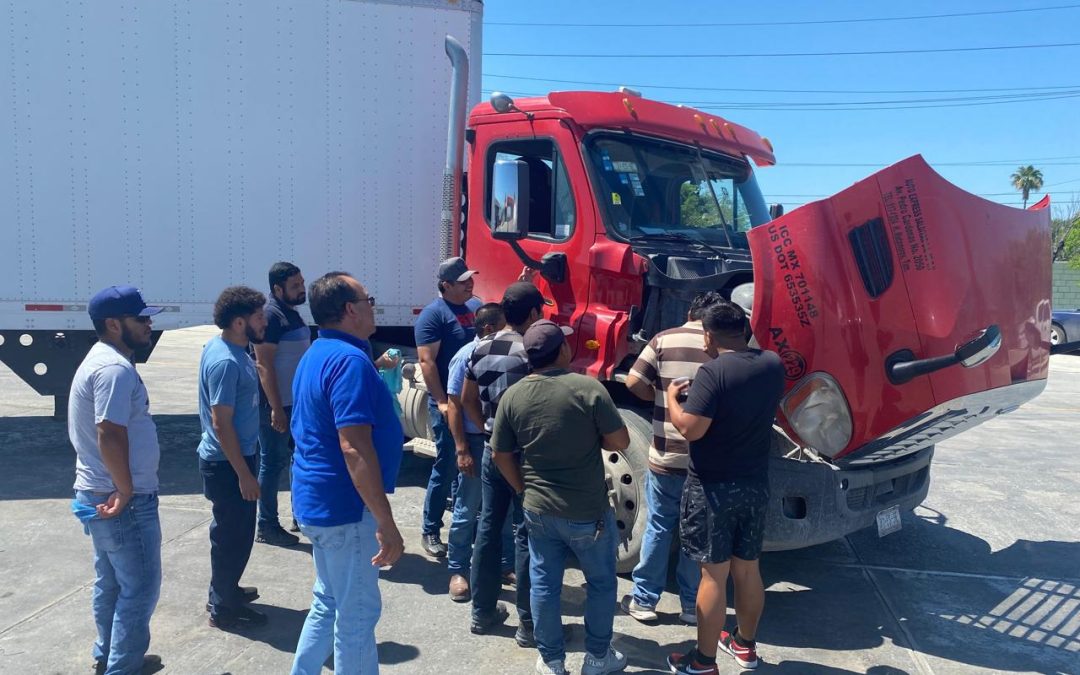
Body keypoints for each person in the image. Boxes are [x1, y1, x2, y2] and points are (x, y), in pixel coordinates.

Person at [492, 320, 630, 675]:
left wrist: (522, 489)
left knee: (544, 584)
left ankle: (552, 661)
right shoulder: (588, 389)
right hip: (587, 511)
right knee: (600, 583)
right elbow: (621, 442)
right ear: (562, 351)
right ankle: (597, 658)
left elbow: (500, 454)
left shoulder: (514, 395)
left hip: (538, 510)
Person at [289, 272, 405, 675]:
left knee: (329, 601)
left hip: (319, 503)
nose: (374, 305)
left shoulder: (320, 352)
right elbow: (353, 446)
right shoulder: (349, 361)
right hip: (345, 509)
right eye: (368, 298)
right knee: (356, 616)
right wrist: (386, 521)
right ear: (350, 309)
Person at [665, 301, 784, 674]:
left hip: (713, 489)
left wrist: (672, 399)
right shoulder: (772, 364)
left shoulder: (713, 372)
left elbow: (691, 429)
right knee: (748, 569)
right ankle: (745, 646)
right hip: (754, 483)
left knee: (713, 575)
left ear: (708, 335)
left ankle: (703, 662)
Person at [69, 285, 164, 675]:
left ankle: (109, 654)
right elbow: (109, 430)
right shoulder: (113, 369)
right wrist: (126, 489)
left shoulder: (103, 360)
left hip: (98, 491)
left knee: (110, 582)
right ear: (113, 324)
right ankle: (122, 667)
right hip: (121, 497)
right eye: (140, 318)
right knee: (139, 588)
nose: (148, 324)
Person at [622, 292, 725, 625]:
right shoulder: (722, 346)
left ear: (691, 310)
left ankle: (644, 601)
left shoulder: (664, 338)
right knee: (695, 533)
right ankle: (690, 606)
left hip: (667, 455)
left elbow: (634, 381)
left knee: (659, 525)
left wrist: (657, 395)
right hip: (706, 460)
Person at [462, 282, 542, 641]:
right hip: (527, 455)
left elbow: (466, 399)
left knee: (488, 527)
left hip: (493, 450)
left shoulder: (479, 347)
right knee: (526, 534)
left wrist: (488, 430)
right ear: (535, 314)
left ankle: (481, 612)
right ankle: (528, 623)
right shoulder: (532, 350)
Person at [198, 285, 269, 629]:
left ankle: (227, 590)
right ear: (240, 322)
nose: (264, 320)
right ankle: (223, 609)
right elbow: (220, 422)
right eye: (258, 315)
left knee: (235, 534)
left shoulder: (233, 348)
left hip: (236, 459)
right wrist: (244, 474)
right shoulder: (225, 361)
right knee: (231, 537)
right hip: (229, 464)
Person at [414, 256, 482, 557]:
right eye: (463, 281)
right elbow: (427, 362)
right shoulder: (433, 315)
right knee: (446, 465)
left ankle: (463, 524)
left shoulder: (473, 307)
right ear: (445, 285)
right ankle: (430, 528)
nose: (471, 284)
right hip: (448, 405)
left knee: (468, 469)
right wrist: (441, 401)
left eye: (471, 278)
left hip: (471, 402)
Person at [445, 302, 506, 601]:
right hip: (474, 440)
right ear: (488, 329)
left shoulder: (502, 353)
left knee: (503, 509)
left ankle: (506, 565)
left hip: (497, 441)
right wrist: (461, 449)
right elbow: (455, 405)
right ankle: (458, 570)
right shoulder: (465, 357)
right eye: (504, 325)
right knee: (467, 509)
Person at [252, 262, 309, 547]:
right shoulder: (272, 316)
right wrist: (275, 408)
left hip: (295, 404)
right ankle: (266, 526)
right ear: (278, 289)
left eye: (302, 283)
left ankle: (300, 514)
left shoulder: (291, 313)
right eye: (295, 286)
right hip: (278, 405)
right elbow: (263, 365)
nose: (302, 289)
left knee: (298, 459)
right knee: (272, 463)